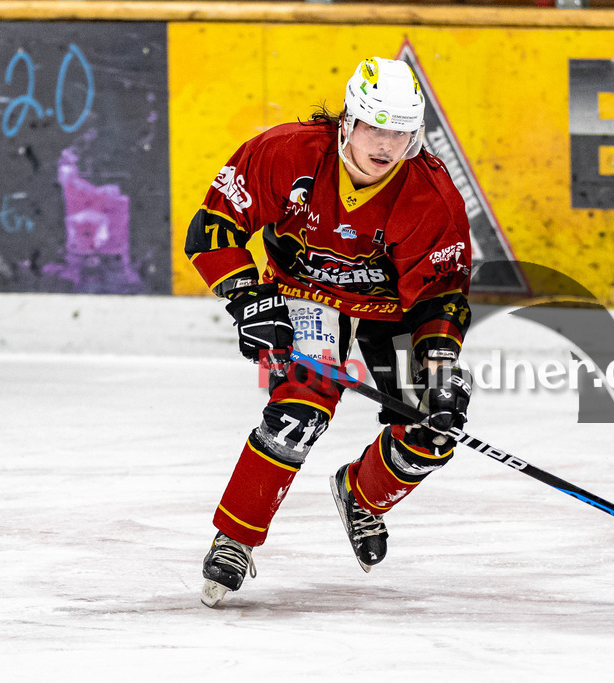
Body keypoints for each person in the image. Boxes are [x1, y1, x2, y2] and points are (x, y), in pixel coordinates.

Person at [185, 57, 474, 607]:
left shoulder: (431, 196)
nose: (387, 144)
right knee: (299, 413)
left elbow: (440, 295)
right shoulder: (284, 154)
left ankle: (363, 497)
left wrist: (439, 370)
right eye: (376, 127)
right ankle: (235, 539)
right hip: (304, 294)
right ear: (349, 121)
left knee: (434, 429)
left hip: (391, 312)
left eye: (401, 131)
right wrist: (249, 299)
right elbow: (213, 230)